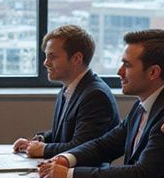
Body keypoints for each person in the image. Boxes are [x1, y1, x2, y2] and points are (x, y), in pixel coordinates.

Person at [37, 28, 164, 178]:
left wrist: (68, 175)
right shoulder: (140, 108)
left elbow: (140, 175)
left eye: (127, 65)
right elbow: (104, 145)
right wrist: (66, 159)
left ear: (153, 72)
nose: (119, 71)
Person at [12, 24, 118, 159]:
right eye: (46, 56)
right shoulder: (68, 89)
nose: (46, 62)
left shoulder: (96, 95)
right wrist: (38, 141)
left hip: (82, 176)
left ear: (76, 59)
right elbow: (63, 135)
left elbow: (82, 147)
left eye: (53, 56)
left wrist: (44, 150)